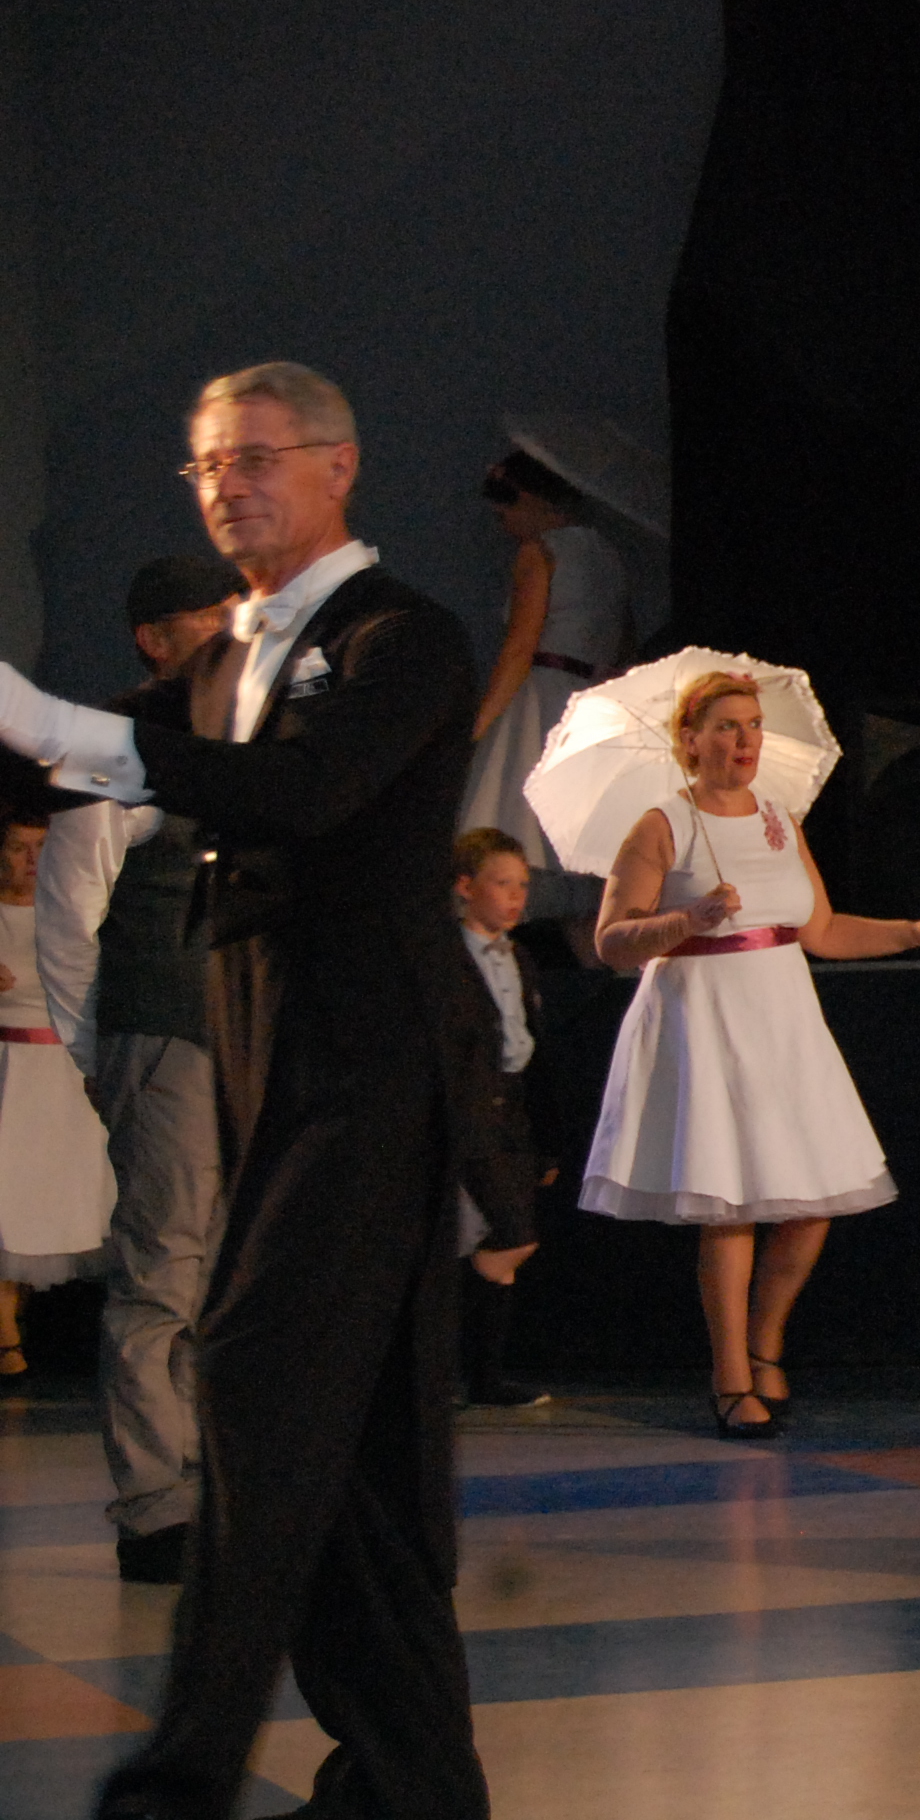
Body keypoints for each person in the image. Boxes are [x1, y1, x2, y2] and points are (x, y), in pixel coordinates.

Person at [0, 360, 500, 1818]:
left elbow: (298, 790)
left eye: (258, 457)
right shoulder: (228, 654)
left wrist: (51, 721)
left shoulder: (406, 637)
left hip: (374, 1064)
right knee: (357, 1454)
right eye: (209, 464)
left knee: (255, 1382)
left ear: (340, 465)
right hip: (260, 1053)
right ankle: (414, 1781)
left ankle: (181, 1779)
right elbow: (68, 769)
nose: (229, 485)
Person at [579, 671, 920, 1436]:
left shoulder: (780, 820)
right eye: (727, 726)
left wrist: (911, 932)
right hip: (705, 1018)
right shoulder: (662, 825)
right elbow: (611, 941)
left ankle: (766, 1345)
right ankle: (730, 1376)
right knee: (730, 1206)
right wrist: (686, 918)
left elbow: (821, 931)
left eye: (753, 725)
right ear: (691, 740)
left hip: (784, 1020)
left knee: (811, 1198)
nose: (745, 739)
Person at [38, 554, 240, 1584]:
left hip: (246, 1036)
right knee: (164, 1266)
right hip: (161, 1029)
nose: (229, 634)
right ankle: (161, 1504)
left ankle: (222, 1489)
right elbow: (68, 916)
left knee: (230, 1268)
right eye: (206, 620)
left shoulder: (259, 747)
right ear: (154, 641)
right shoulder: (114, 753)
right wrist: (95, 1055)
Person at [458, 448, 630, 952]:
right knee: (579, 848)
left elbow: (519, 647)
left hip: (542, 700)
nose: (501, 516)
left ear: (533, 498)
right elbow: (623, 647)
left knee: (517, 823)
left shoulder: (540, 553)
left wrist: (476, 729)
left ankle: (509, 955)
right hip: (595, 704)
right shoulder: (608, 556)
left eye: (506, 501)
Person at [0, 809, 116, 1379]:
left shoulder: (70, 913)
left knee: (48, 1201)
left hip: (60, 1069)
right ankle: (5, 1328)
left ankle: (23, 1322)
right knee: (8, 1195)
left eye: (40, 847)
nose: (31, 859)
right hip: (7, 1065)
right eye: (19, 847)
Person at [452, 827, 550, 1409]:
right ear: (466, 887)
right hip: (470, 1111)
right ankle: (455, 1362)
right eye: (501, 883)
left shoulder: (520, 957)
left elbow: (532, 1045)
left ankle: (485, 1377)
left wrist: (544, 1141)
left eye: (522, 885)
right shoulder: (448, 956)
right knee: (510, 1237)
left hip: (510, 1111)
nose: (515, 897)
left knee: (502, 1246)